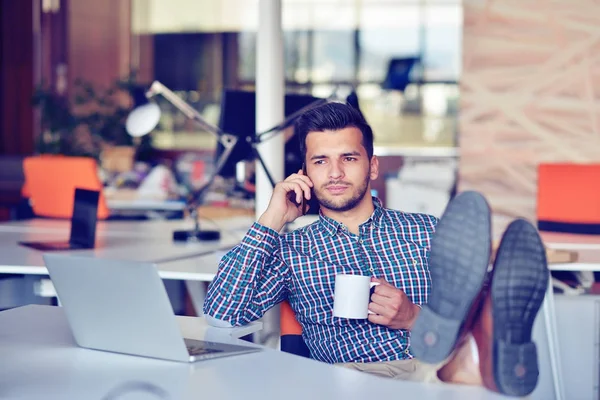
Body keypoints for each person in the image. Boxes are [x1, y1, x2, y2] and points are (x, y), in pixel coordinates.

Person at [203, 102, 548, 397]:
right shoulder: (291, 249)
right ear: (305, 172)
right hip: (353, 378)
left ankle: (464, 357)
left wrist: (413, 318)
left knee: (471, 331)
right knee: (455, 382)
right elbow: (222, 314)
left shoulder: (427, 230)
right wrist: (271, 219)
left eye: (349, 158)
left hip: (432, 361)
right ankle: (469, 364)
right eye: (320, 161)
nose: (335, 173)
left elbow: (480, 306)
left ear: (372, 166)